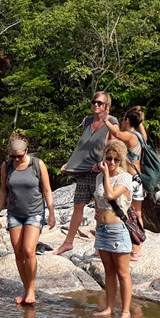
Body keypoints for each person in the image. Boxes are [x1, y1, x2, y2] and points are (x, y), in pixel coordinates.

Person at [0, 133, 56, 306]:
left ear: (27, 151)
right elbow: (4, 190)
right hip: (14, 213)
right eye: (14, 156)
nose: (17, 159)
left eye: (20, 156)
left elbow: (47, 190)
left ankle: (32, 289)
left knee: (28, 250)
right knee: (18, 252)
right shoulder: (7, 166)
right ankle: (25, 289)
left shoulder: (37, 164)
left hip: (34, 212)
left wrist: (51, 212)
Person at [56, 92, 119, 255]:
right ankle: (68, 242)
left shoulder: (112, 122)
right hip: (84, 170)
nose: (96, 105)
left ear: (107, 105)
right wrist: (70, 164)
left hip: (98, 171)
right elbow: (82, 148)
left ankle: (100, 246)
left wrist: (102, 165)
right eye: (94, 102)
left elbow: (114, 148)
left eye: (100, 103)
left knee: (100, 208)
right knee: (78, 205)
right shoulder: (88, 121)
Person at [91, 139, 134, 318]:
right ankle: (109, 307)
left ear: (121, 161)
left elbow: (110, 195)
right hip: (102, 229)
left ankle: (125, 311)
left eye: (116, 160)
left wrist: (107, 174)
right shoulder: (99, 177)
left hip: (117, 229)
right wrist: (96, 212)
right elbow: (99, 198)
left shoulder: (125, 178)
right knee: (108, 272)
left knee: (122, 272)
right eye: (109, 158)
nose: (112, 163)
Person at [104, 107, 147, 260]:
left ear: (127, 121)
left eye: (123, 120)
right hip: (138, 179)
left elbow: (116, 134)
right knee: (137, 213)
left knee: (131, 213)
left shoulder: (129, 136)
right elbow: (144, 134)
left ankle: (135, 249)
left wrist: (105, 119)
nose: (121, 122)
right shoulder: (140, 136)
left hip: (131, 180)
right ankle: (137, 247)